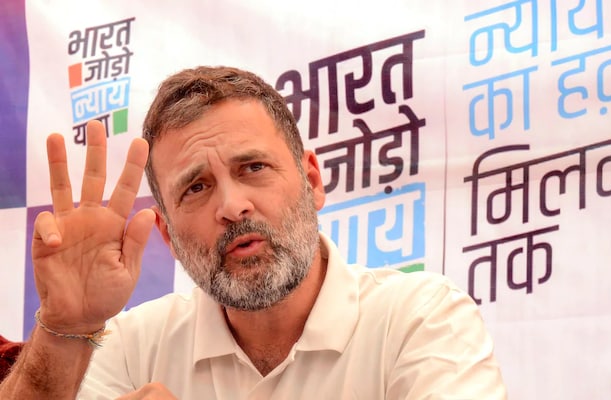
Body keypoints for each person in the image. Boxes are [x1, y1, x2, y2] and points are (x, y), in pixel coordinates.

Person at [0, 66, 507, 399]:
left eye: (253, 168)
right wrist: (64, 328)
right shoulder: (132, 345)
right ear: (168, 237)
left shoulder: (421, 317)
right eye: (196, 187)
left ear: (311, 181)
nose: (231, 205)